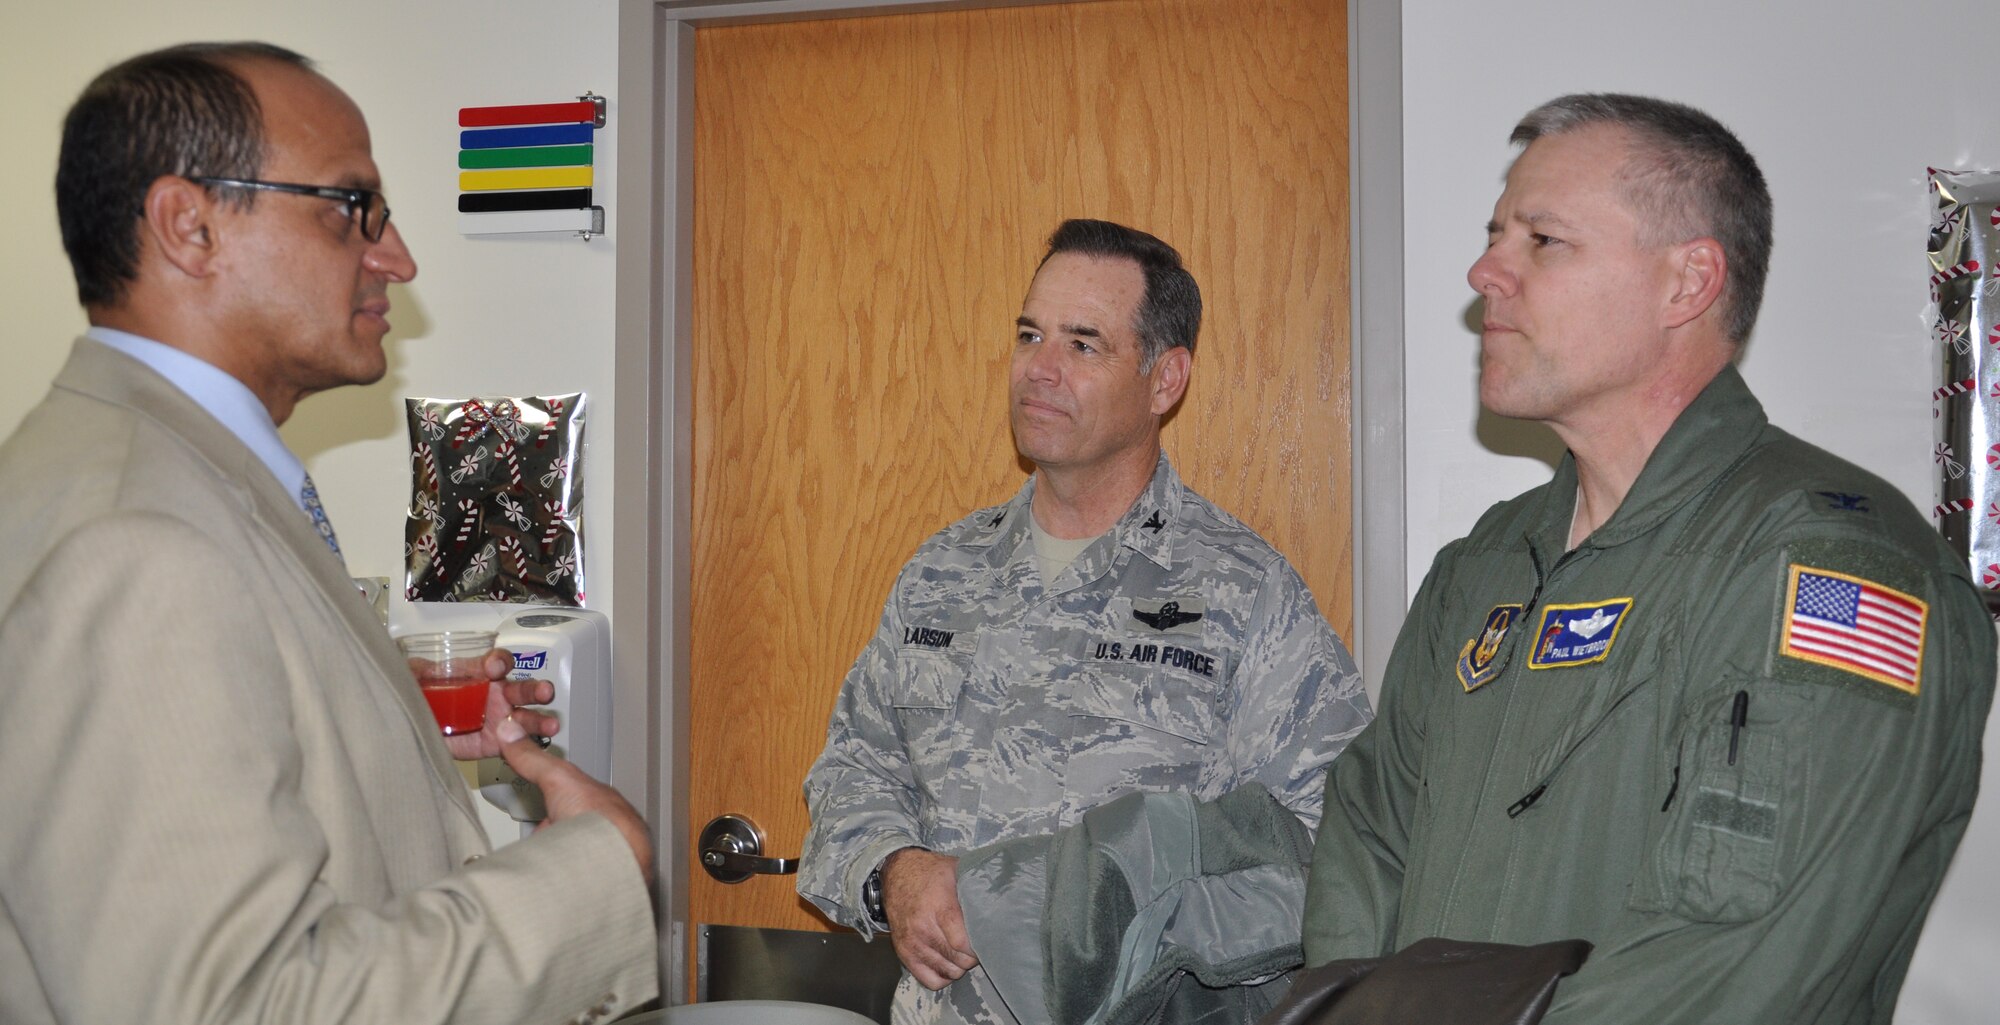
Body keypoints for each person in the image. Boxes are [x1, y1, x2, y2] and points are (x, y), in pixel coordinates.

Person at [1301, 93, 1996, 1023]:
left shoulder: (1834, 566)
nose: (1485, 272)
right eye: (1494, 234)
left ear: (1687, 282)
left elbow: (1734, 965)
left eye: (1542, 239)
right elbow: (1368, 846)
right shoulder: (1486, 565)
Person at [0, 43, 657, 1025]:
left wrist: (374, 721)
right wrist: (590, 869)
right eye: (353, 208)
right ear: (191, 226)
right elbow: (237, 1004)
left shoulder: (164, 481)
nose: (397, 257)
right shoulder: (136, 543)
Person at [798, 219, 1372, 1024]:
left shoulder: (1243, 592)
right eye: (1030, 334)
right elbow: (854, 765)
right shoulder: (942, 572)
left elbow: (1337, 848)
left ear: (1165, 379)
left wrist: (1130, 933)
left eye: (1083, 344)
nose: (1040, 369)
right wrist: (891, 869)